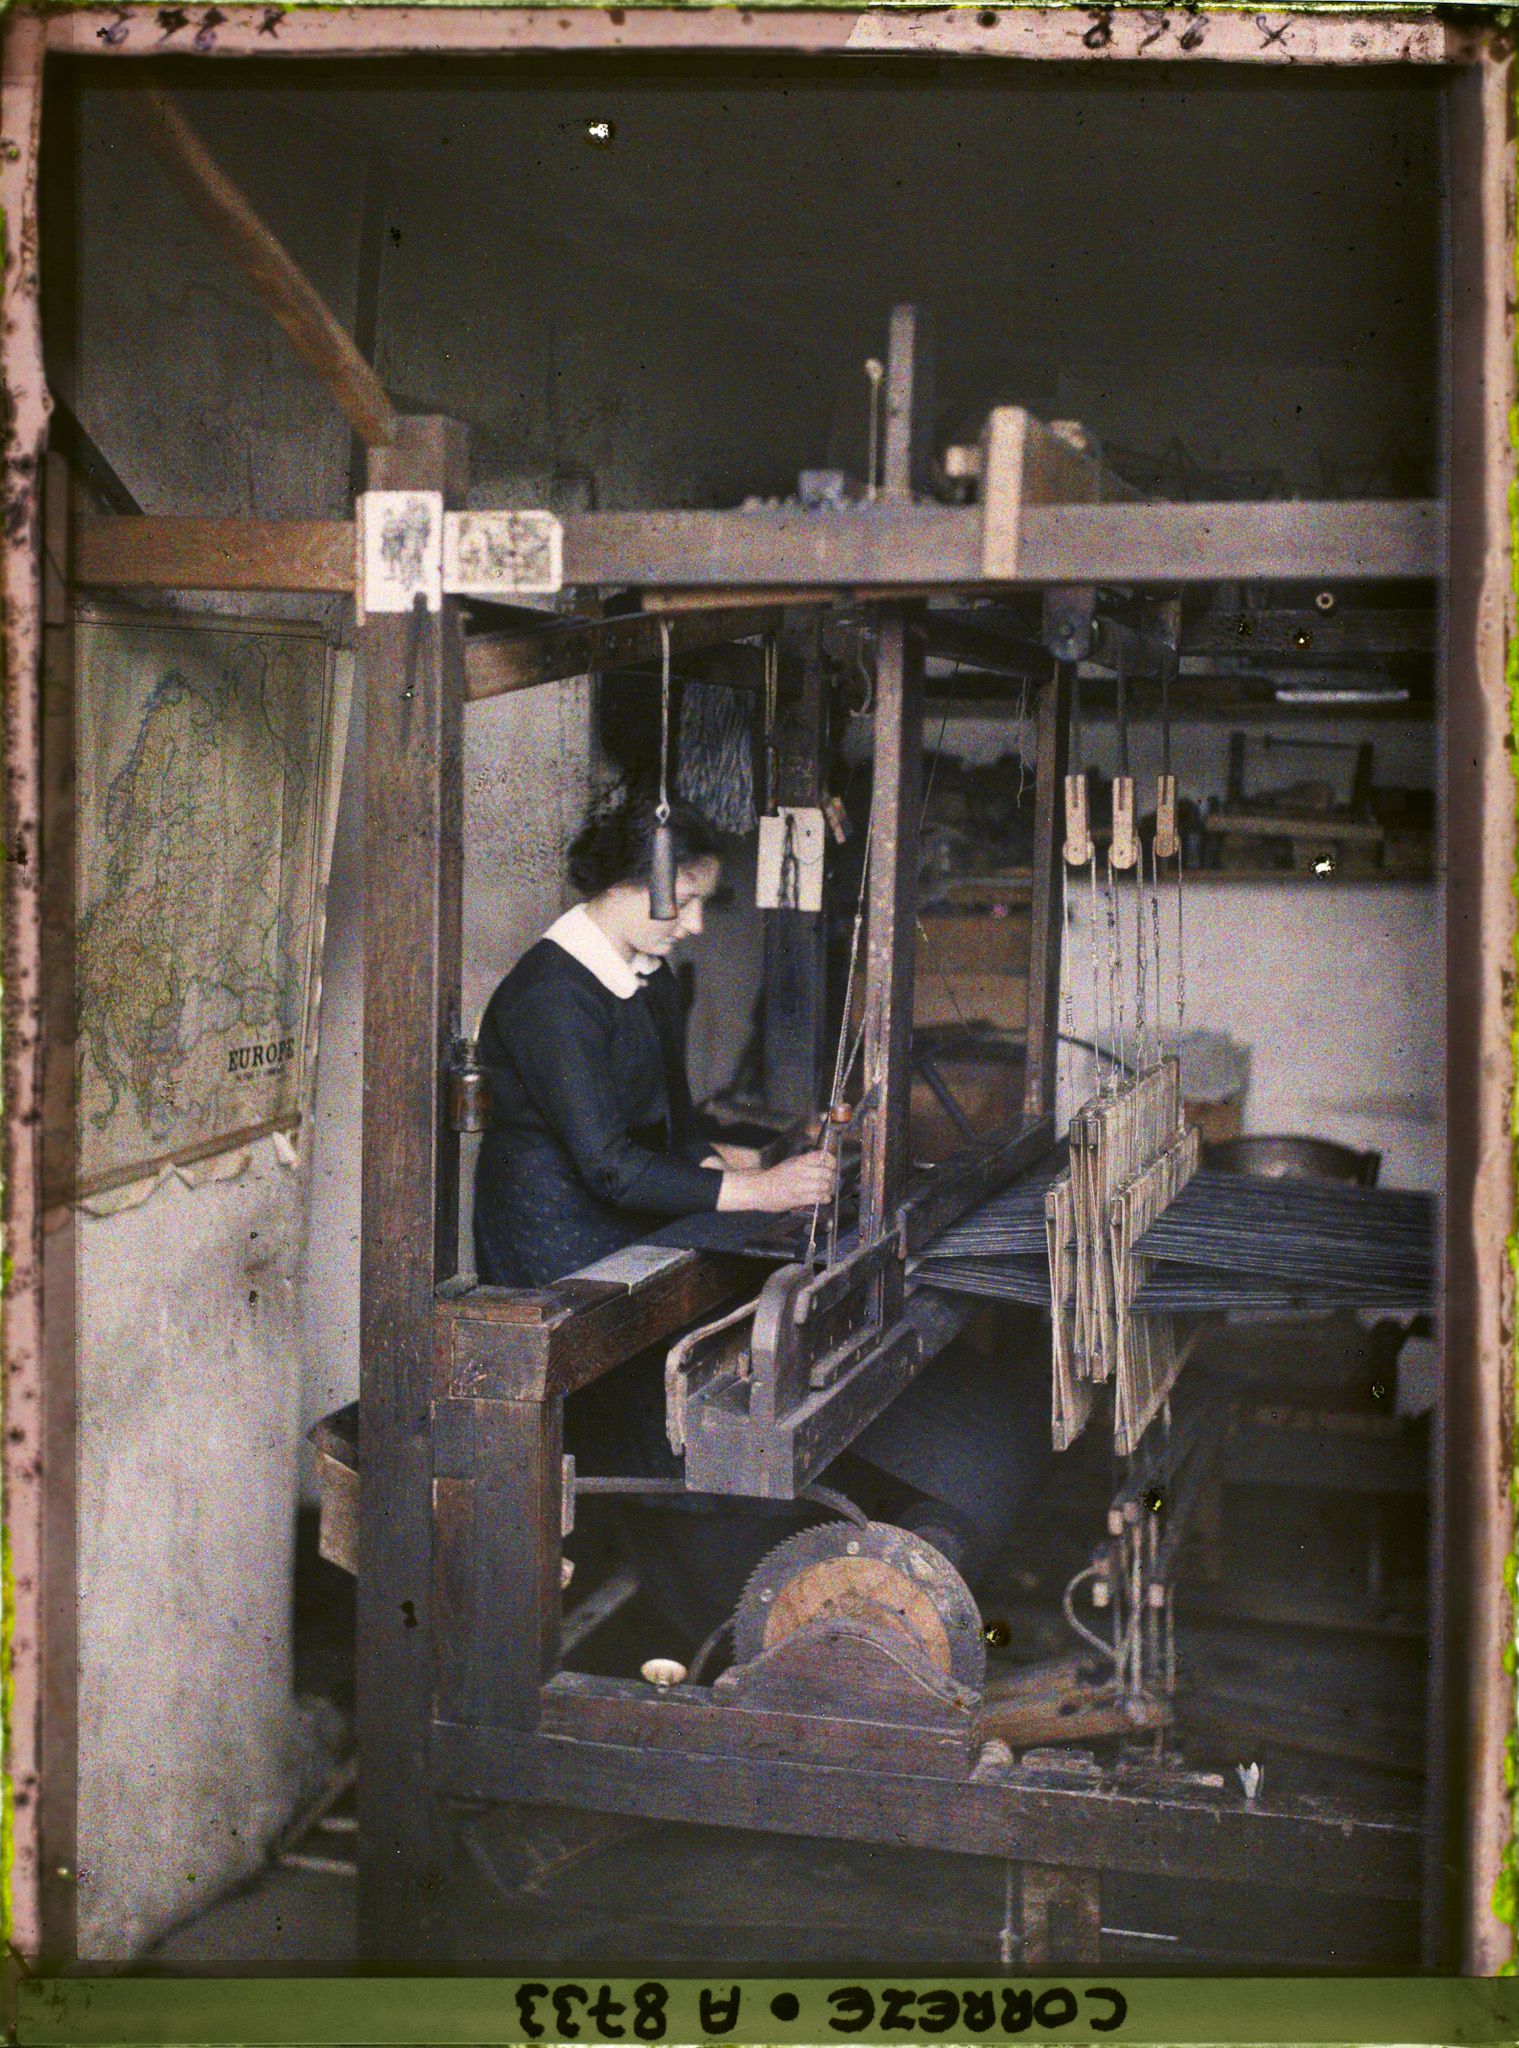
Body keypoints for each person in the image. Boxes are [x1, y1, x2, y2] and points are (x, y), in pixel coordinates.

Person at [473, 792, 836, 1290]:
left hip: (626, 1218)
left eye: (702, 904)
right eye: (683, 902)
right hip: (549, 1239)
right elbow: (611, 1168)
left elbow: (679, 1128)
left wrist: (753, 1186)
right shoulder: (551, 996)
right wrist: (761, 1190)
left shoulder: (652, 977)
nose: (695, 925)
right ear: (623, 883)